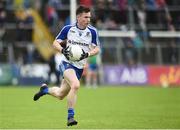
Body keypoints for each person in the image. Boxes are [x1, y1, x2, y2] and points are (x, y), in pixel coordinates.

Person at [33, 5, 100, 126]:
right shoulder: (68, 29)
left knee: (60, 95)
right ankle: (70, 117)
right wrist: (63, 51)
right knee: (76, 85)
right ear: (78, 17)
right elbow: (55, 43)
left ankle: (45, 90)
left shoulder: (93, 32)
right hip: (66, 63)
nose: (88, 20)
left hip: (79, 67)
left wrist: (87, 54)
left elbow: (97, 49)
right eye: (86, 17)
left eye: (89, 17)